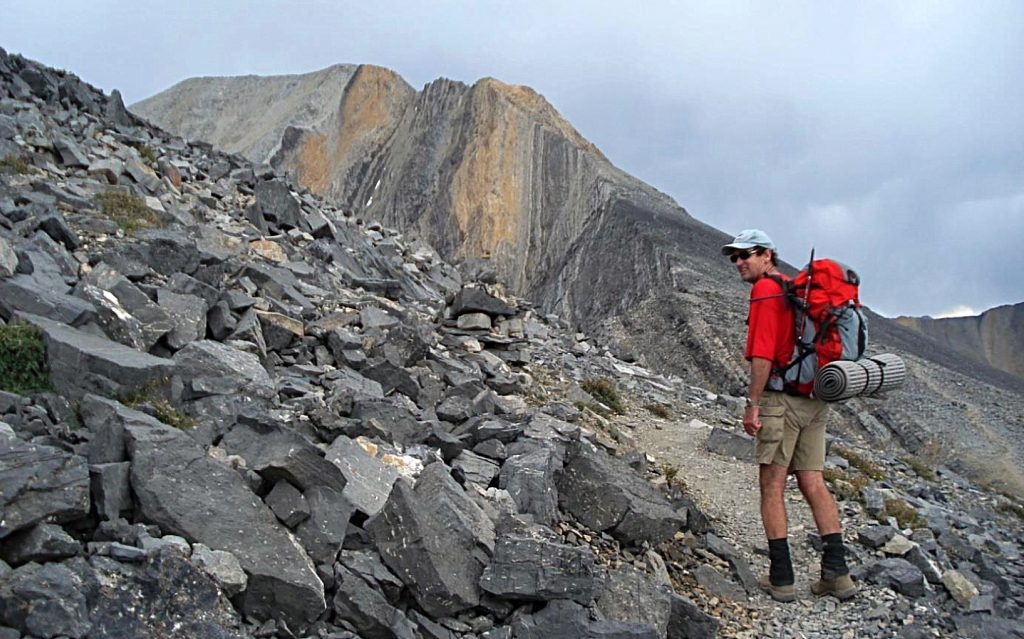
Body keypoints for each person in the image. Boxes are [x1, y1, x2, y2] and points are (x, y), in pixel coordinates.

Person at [721, 229, 857, 603]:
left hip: (781, 400)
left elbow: (763, 353)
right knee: (813, 482)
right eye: (734, 257)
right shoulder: (795, 291)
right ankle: (837, 574)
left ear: (767, 255)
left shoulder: (766, 291)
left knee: (772, 485)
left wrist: (752, 402)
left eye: (745, 255)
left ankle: (781, 577)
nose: (738, 263)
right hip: (815, 397)